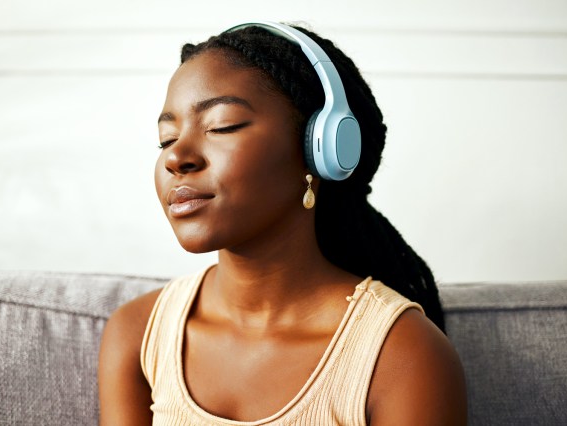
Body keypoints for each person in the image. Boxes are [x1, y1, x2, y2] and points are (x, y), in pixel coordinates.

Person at [98, 21, 467, 425]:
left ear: (319, 149)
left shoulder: (401, 353)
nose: (176, 157)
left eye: (222, 126)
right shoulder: (136, 334)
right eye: (166, 139)